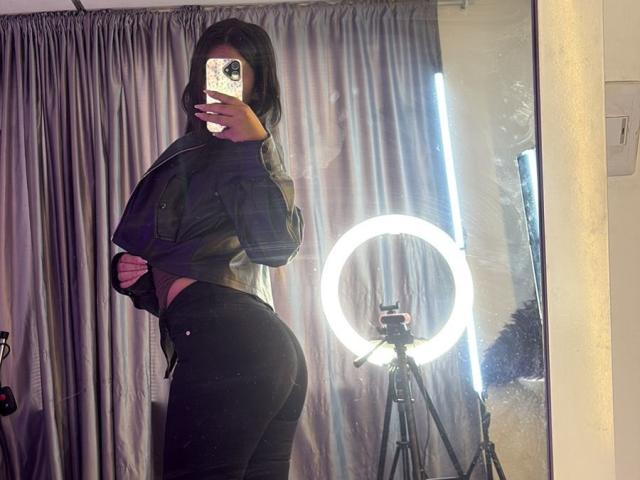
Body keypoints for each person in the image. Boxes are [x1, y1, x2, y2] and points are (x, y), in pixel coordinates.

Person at [109, 18, 307, 479]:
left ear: (257, 83)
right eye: (210, 68)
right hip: (248, 345)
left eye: (233, 70)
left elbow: (275, 246)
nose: (217, 81)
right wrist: (134, 276)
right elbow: (190, 263)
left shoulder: (249, 155)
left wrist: (255, 146)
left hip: (231, 344)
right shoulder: (192, 155)